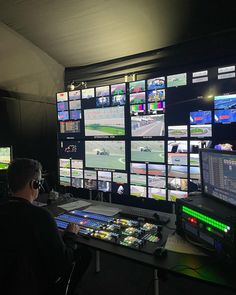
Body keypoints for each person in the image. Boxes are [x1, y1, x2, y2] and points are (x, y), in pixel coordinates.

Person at [0, 158, 89, 295]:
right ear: (33, 184)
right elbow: (63, 261)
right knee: (85, 253)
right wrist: (71, 235)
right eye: (40, 182)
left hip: (8, 282)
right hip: (34, 284)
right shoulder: (41, 216)